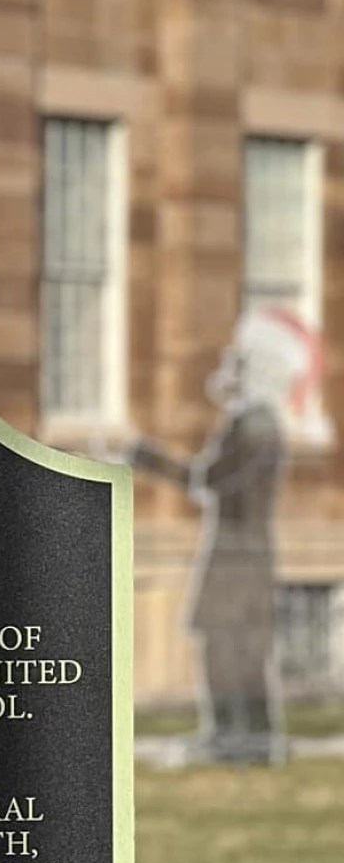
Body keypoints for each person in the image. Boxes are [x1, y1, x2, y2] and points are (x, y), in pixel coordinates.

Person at [132, 308, 312, 764]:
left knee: (228, 644)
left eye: (240, 359)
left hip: (237, 555)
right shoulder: (259, 425)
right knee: (238, 645)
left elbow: (210, 480)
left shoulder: (252, 427)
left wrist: (149, 459)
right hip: (243, 553)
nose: (228, 366)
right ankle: (249, 735)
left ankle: (238, 737)